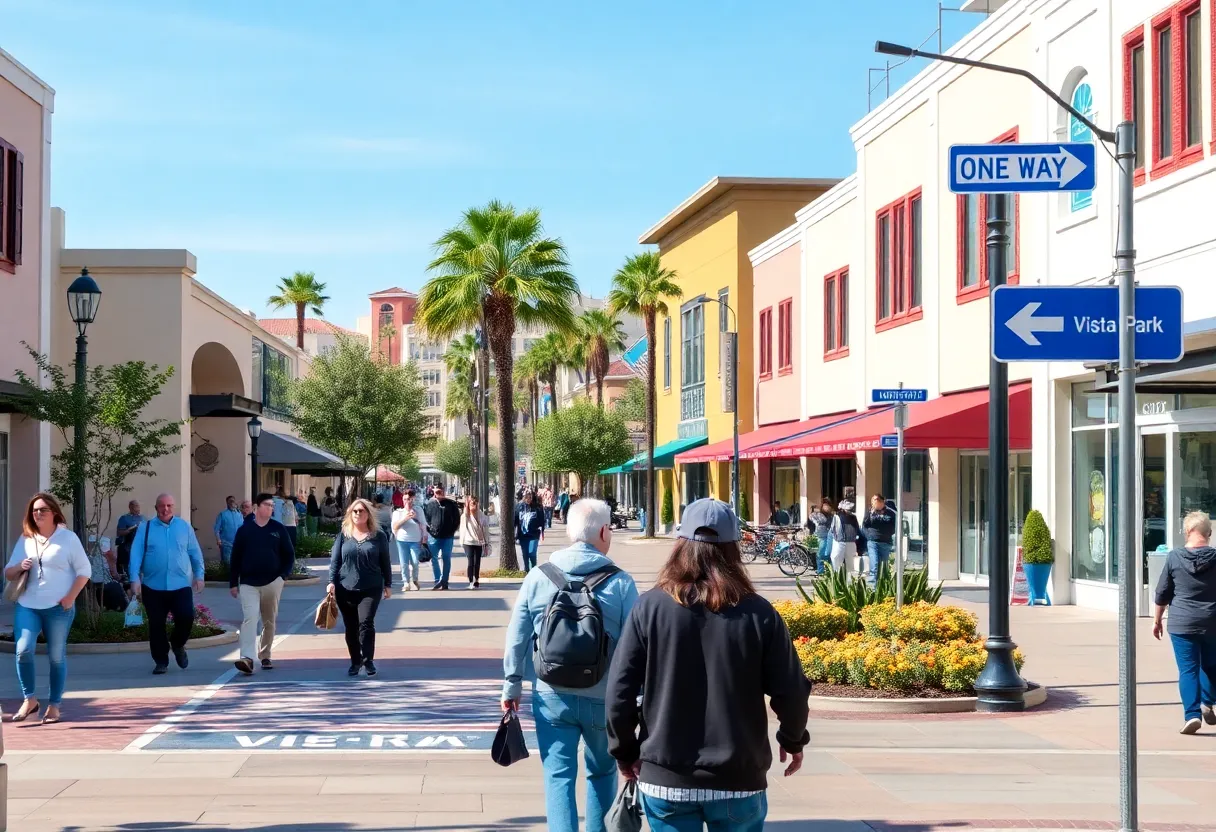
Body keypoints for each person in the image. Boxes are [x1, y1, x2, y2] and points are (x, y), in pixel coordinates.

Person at [606, 498, 810, 832]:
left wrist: (624, 752)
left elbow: (619, 693)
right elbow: (792, 690)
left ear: (681, 544)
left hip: (666, 779)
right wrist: (792, 738)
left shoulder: (651, 608)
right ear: (733, 550)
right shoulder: (758, 614)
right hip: (738, 777)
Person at [502, 498, 639, 832]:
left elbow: (517, 635)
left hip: (551, 693)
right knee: (602, 772)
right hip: (603, 698)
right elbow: (637, 647)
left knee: (558, 774)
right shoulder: (621, 583)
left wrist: (512, 684)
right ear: (605, 531)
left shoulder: (538, 576)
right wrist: (639, 697)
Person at [5, 493, 91, 724]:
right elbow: (8, 572)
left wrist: (70, 598)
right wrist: (18, 566)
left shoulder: (68, 538)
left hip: (58, 609)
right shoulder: (26, 539)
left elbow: (85, 571)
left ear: (54, 512)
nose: (38, 514)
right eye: (34, 511)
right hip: (28, 606)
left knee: (56, 658)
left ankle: (54, 705)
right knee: (23, 651)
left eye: (43, 510)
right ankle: (30, 699)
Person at [1153, 510, 1216, 734]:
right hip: (1212, 621)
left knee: (1188, 670)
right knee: (1210, 665)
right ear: (1208, 533)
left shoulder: (1174, 557)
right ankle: (1208, 703)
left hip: (1182, 623)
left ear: (1187, 531)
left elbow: (1162, 592)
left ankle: (1192, 715)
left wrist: (1157, 619)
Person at [129, 493, 206, 675]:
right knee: (156, 625)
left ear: (174, 507)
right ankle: (161, 661)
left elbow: (195, 552)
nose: (165, 509)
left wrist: (199, 575)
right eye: (162, 506)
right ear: (156, 508)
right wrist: (134, 578)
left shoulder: (184, 527)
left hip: (180, 585)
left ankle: (178, 645)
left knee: (186, 617)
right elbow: (136, 554)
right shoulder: (145, 528)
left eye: (169, 506)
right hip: (152, 586)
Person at [229, 492, 296, 675]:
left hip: (272, 582)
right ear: (257, 507)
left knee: (269, 620)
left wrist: (282, 576)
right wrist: (233, 582)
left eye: (272, 505)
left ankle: (265, 654)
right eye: (267, 504)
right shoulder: (245, 530)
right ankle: (247, 658)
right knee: (250, 618)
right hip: (249, 583)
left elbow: (289, 555)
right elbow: (235, 557)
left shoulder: (278, 528)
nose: (271, 508)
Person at [327, 499, 393, 677]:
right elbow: (335, 561)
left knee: (366, 623)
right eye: (354, 511)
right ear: (350, 514)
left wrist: (388, 584)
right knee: (351, 627)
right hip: (345, 588)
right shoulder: (344, 535)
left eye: (361, 511)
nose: (357, 514)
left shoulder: (378, 536)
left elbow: (385, 562)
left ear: (368, 514)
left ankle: (368, 661)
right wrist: (331, 582)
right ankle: (355, 661)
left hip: (371, 587)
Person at [424, 484, 461, 590]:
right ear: (434, 493)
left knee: (446, 558)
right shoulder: (430, 504)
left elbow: (457, 520)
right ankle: (437, 580)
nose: (438, 494)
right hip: (434, 537)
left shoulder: (451, 504)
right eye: (436, 492)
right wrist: (430, 530)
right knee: (434, 559)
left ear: (444, 492)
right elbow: (426, 519)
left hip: (447, 537)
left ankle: (444, 581)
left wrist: (452, 530)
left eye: (440, 492)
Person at [391, 486, 425, 591]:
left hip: (415, 540)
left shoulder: (418, 510)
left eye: (409, 499)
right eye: (405, 499)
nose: (407, 501)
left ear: (413, 499)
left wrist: (424, 537)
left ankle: (415, 579)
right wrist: (406, 518)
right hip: (402, 540)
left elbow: (423, 524)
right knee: (404, 563)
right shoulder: (398, 512)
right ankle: (406, 583)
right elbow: (395, 527)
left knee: (415, 562)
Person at [861, 493, 897, 586]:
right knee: (875, 564)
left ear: (882, 502)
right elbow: (864, 525)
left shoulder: (890, 513)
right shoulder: (869, 512)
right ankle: (873, 587)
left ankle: (883, 586)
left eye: (876, 501)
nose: (874, 503)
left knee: (883, 566)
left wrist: (886, 532)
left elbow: (893, 527)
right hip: (873, 542)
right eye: (873, 501)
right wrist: (868, 536)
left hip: (885, 543)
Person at [460, 495, 490, 589]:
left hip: (479, 542)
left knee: (477, 562)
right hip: (468, 541)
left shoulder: (481, 514)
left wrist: (486, 541)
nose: (473, 505)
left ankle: (476, 579)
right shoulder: (465, 515)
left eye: (475, 503)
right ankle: (470, 581)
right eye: (471, 503)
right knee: (470, 562)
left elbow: (485, 527)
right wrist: (466, 507)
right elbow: (462, 525)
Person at [515, 489, 546, 573]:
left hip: (534, 534)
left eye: (530, 497)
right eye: (526, 497)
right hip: (522, 535)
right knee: (525, 554)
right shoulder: (519, 507)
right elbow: (515, 520)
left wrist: (542, 531)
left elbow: (542, 520)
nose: (528, 499)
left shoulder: (537, 507)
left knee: (532, 552)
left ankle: (534, 569)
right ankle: (527, 570)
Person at [829, 493, 860, 575]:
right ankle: (837, 579)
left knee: (851, 565)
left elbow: (857, 529)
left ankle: (849, 583)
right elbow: (832, 530)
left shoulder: (853, 517)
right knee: (836, 562)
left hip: (850, 542)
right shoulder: (837, 516)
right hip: (839, 542)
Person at [115, 499, 144, 579]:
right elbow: (119, 533)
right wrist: (131, 529)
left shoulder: (142, 518)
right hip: (129, 544)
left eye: (139, 506)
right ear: (131, 507)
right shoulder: (124, 518)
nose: (138, 508)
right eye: (136, 506)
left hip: (141, 544)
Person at [213, 495, 242, 567]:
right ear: (227, 503)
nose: (232, 502)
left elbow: (243, 528)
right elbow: (216, 529)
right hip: (226, 544)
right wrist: (218, 540)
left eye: (233, 500)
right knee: (227, 564)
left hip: (238, 544)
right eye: (230, 501)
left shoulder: (239, 515)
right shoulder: (222, 514)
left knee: (238, 564)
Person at [808, 498, 834, 575]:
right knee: (820, 554)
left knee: (829, 555)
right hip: (821, 536)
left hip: (830, 537)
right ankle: (821, 571)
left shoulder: (832, 516)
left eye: (828, 505)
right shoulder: (818, 515)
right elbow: (811, 517)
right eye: (825, 505)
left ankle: (829, 571)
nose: (827, 507)